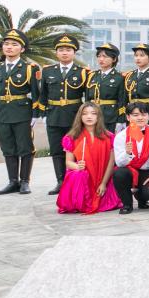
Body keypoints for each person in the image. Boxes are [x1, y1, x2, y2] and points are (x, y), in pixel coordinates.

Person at [37, 34, 90, 195]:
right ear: (56, 52)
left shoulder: (82, 72)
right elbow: (43, 95)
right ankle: (60, 181)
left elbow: (87, 98)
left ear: (74, 52)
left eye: (68, 50)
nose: (64, 53)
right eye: (61, 50)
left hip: (74, 117)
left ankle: (75, 180)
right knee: (56, 150)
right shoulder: (48, 71)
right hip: (53, 116)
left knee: (76, 150)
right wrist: (42, 114)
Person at [0, 29, 42, 195]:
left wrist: (35, 114)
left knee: (25, 147)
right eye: (6, 44)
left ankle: (25, 181)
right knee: (8, 148)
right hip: (3, 113)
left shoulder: (29, 68)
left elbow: (36, 93)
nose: (9, 47)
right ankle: (13, 181)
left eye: (14, 44)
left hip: (22, 113)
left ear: (22, 49)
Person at [56, 102, 121, 214]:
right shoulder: (72, 137)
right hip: (85, 177)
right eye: (85, 113)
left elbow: (111, 163)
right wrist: (77, 166)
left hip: (103, 177)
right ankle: (78, 200)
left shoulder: (109, 137)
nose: (89, 116)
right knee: (77, 174)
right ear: (80, 117)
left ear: (98, 116)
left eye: (93, 113)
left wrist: (103, 183)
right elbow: (68, 163)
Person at [111, 102, 149, 214]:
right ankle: (127, 204)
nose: (140, 118)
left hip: (147, 171)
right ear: (128, 117)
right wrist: (127, 153)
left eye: (144, 114)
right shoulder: (121, 136)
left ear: (148, 116)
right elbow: (119, 163)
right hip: (130, 170)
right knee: (119, 173)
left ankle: (142, 198)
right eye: (135, 115)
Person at [85, 42, 126, 132]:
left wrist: (120, 120)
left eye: (105, 56)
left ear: (114, 59)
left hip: (110, 116)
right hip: (92, 115)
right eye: (99, 56)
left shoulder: (119, 77)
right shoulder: (92, 76)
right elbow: (87, 99)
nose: (101, 59)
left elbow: (122, 101)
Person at [123, 43, 149, 126]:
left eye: (142, 55)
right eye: (136, 55)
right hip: (132, 113)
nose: (138, 58)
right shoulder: (129, 75)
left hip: (148, 113)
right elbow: (125, 99)